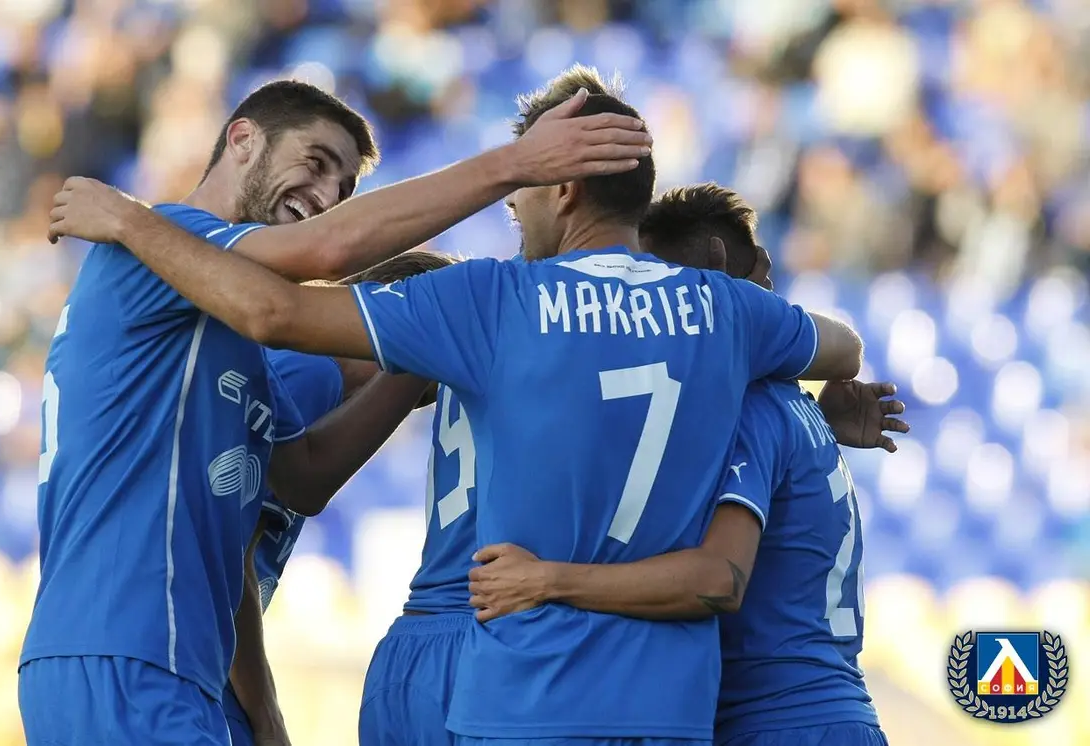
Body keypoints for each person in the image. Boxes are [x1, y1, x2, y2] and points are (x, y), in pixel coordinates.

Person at [44, 71, 864, 744]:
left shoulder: (486, 302)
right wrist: (798, 408)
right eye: (318, 163)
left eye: (521, 195)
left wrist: (126, 219)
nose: (327, 195)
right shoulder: (726, 318)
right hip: (641, 680)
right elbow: (835, 356)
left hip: (483, 664)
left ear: (561, 186)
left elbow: (298, 454)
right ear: (241, 138)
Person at [465, 184, 898, 746]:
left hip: (778, 721)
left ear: (712, 267)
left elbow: (719, 579)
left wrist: (547, 580)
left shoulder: (744, 406)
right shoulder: (792, 404)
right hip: (832, 711)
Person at [227, 249, 458, 746]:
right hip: (196, 662)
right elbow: (229, 557)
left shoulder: (308, 374)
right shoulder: (311, 374)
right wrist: (266, 716)